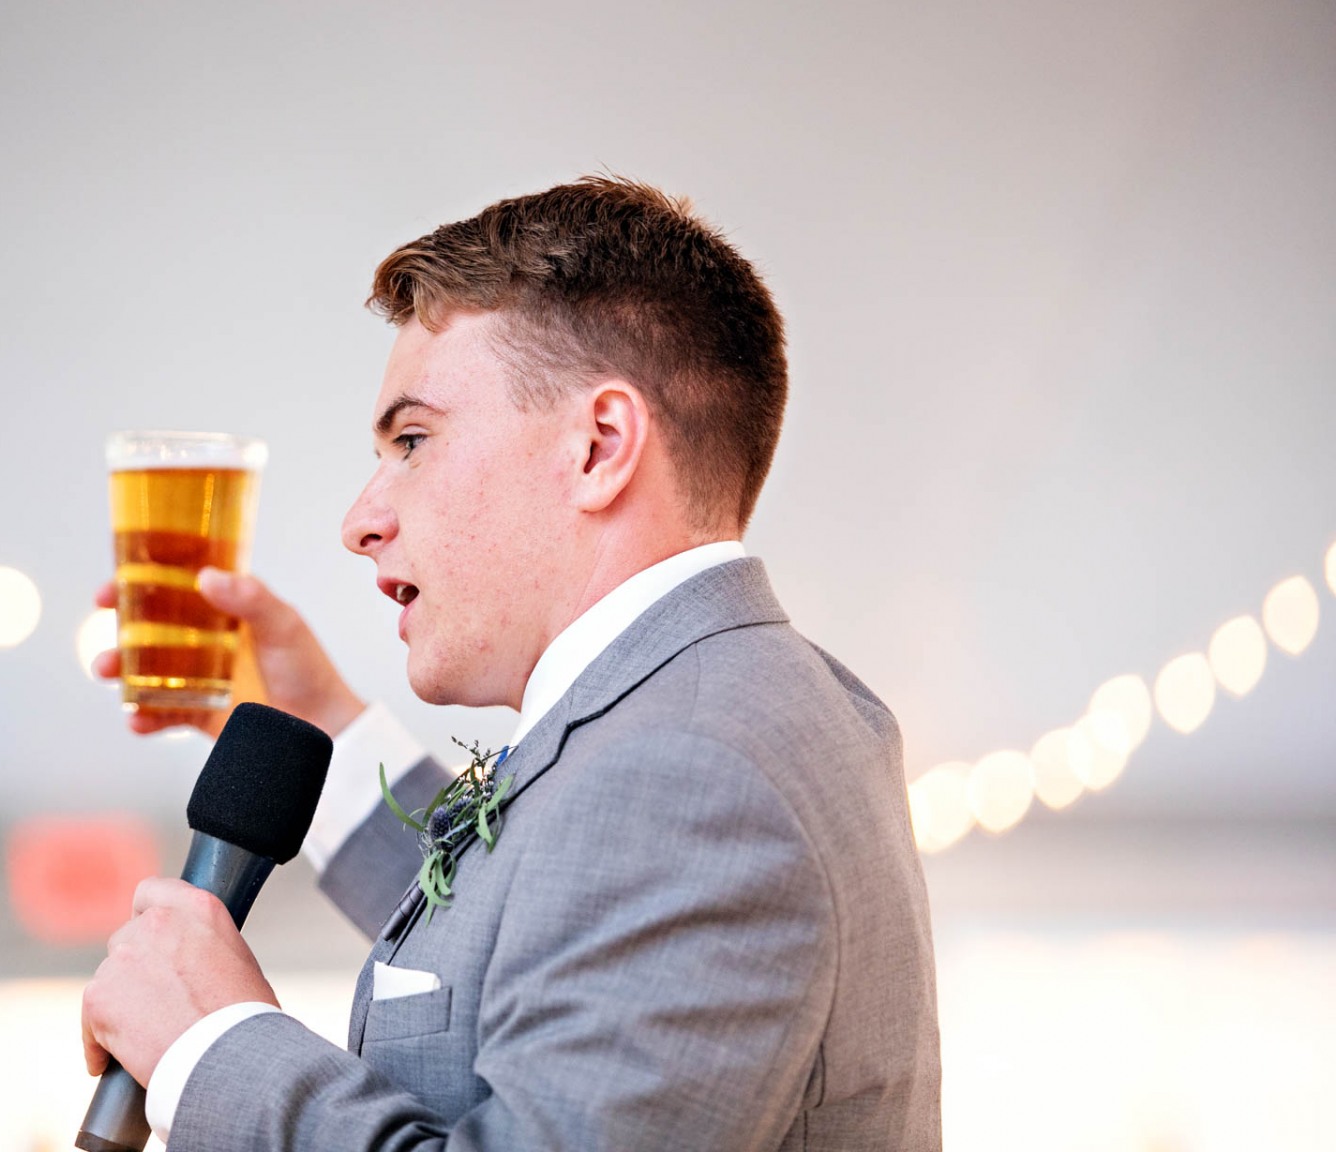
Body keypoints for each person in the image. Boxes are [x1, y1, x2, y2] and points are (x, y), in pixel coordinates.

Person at [82, 176, 942, 1150]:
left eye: (413, 440)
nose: (360, 520)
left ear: (599, 447)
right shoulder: (737, 710)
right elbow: (546, 931)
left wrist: (211, 1046)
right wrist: (318, 724)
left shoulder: (686, 771)